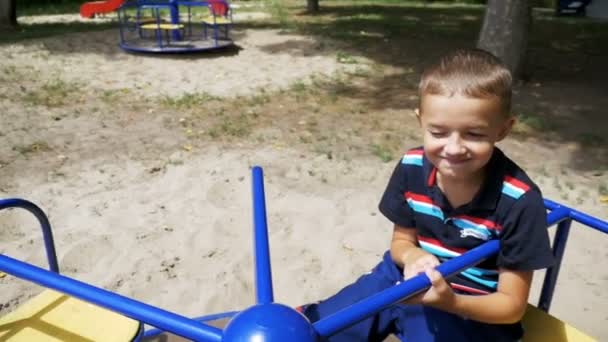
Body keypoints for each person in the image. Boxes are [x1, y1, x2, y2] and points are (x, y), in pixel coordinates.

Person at [298, 49, 554, 342]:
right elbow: (401, 242)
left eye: (474, 134)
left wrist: (451, 303)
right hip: (405, 278)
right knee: (319, 327)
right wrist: (413, 255)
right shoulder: (411, 167)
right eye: (439, 132)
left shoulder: (520, 200)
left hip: (473, 309)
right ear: (421, 121)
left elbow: (511, 306)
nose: (454, 148)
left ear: (503, 129)